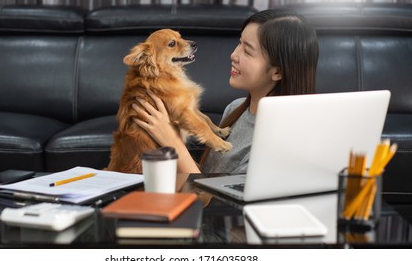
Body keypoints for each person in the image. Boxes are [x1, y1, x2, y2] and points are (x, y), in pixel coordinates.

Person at [132, 9, 319, 174]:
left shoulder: (281, 143)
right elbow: (204, 179)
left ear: (277, 72)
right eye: (239, 43)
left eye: (247, 51)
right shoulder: (234, 109)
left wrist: (171, 141)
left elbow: (214, 200)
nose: (233, 55)